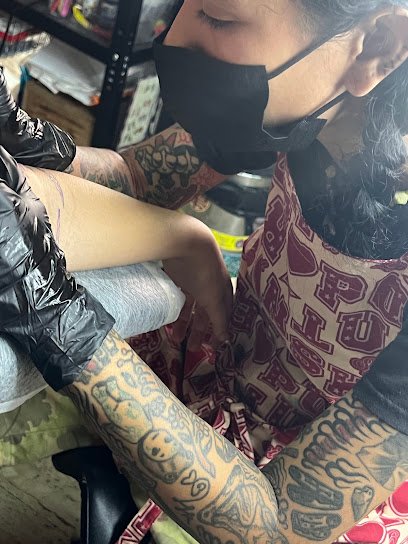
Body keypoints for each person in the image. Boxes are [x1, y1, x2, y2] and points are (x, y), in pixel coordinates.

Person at [2, 1, 408, 544]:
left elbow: (276, 526)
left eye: (219, 19)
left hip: (305, 481)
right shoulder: (301, 107)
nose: (173, 39)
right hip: (229, 363)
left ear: (377, 47)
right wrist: (39, 148)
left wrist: (58, 316)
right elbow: (139, 176)